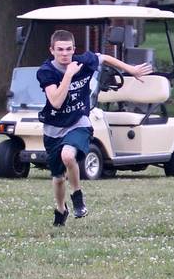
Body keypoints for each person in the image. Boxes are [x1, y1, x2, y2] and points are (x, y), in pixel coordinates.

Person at [38, 29, 152, 226]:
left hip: (78, 122)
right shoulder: (46, 71)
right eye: (60, 50)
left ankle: (77, 195)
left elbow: (105, 57)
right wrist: (69, 75)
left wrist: (130, 70)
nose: (65, 54)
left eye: (68, 49)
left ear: (74, 49)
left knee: (68, 155)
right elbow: (56, 102)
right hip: (53, 129)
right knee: (57, 178)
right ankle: (61, 209)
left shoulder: (84, 61)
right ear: (52, 50)